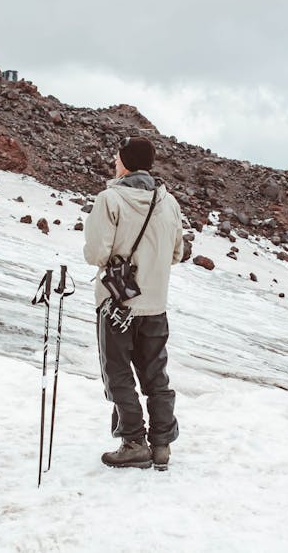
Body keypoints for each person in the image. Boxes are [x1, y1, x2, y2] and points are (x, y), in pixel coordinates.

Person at [83, 135, 184, 470]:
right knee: (156, 375)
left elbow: (96, 253)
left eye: (117, 156)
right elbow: (177, 253)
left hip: (117, 305)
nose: (114, 160)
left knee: (118, 373)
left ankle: (133, 442)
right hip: (155, 305)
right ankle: (162, 445)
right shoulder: (168, 202)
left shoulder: (110, 199)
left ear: (126, 161)